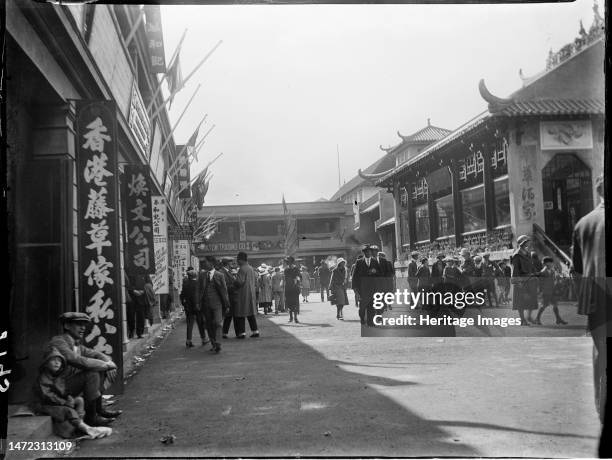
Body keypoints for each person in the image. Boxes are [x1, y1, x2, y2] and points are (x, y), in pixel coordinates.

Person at [571, 174, 607, 422]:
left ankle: (601, 407)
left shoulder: (583, 223)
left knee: (600, 351)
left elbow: (577, 271)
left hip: (596, 297)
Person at [45, 313, 121, 426]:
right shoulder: (59, 342)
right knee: (92, 374)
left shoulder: (75, 344)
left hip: (66, 384)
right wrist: (106, 365)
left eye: (84, 325)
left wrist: (108, 362)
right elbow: (77, 360)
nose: (83, 328)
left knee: (97, 369)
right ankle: (91, 418)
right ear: (66, 326)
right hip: (55, 388)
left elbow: (95, 354)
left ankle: (99, 410)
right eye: (79, 324)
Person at [31, 347, 110, 439]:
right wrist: (64, 402)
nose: (57, 363)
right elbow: (48, 396)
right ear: (46, 363)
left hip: (58, 401)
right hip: (44, 404)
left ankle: (82, 426)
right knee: (68, 411)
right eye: (53, 360)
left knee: (79, 400)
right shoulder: (43, 377)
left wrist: (68, 397)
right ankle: (87, 429)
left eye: (59, 361)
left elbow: (62, 390)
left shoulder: (58, 375)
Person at [199, 256, 230, 352]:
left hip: (217, 303)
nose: (204, 264)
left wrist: (227, 304)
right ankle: (213, 343)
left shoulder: (219, 275)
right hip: (206, 304)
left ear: (211, 263)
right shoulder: (202, 275)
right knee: (209, 325)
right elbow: (199, 290)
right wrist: (197, 302)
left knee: (218, 323)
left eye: (206, 262)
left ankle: (218, 342)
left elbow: (224, 290)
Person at [511, 235, 539, 325]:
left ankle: (529, 317)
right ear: (522, 243)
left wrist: (535, 274)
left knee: (531, 300)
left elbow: (531, 266)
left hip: (530, 280)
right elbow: (515, 270)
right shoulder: (517, 255)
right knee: (521, 301)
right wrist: (518, 282)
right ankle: (522, 320)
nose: (529, 243)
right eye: (527, 242)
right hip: (521, 281)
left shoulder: (528, 253)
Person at [351, 244, 381, 326]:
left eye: (370, 251)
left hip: (372, 288)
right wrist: (355, 289)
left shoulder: (375, 261)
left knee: (371, 306)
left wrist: (376, 272)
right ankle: (362, 319)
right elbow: (355, 276)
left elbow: (379, 274)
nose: (368, 253)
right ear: (364, 253)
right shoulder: (359, 262)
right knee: (362, 308)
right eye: (366, 252)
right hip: (362, 289)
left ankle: (370, 322)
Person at [233, 252, 260, 338]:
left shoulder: (242, 269)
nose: (237, 262)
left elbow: (239, 282)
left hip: (243, 294)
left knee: (240, 313)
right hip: (251, 293)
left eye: (238, 260)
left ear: (241, 260)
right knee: (250, 314)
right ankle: (255, 331)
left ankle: (241, 333)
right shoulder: (251, 268)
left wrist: (234, 282)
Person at [535, 257, 567, 325]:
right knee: (544, 305)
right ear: (547, 263)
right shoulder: (543, 272)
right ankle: (537, 319)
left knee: (555, 305)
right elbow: (540, 282)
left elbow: (554, 279)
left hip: (552, 290)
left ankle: (558, 319)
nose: (552, 264)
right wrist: (541, 291)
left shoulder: (552, 271)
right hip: (546, 291)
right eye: (551, 262)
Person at [180, 267, 207, 348]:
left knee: (189, 324)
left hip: (188, 307)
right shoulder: (197, 284)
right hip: (197, 306)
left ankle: (188, 340)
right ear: (195, 275)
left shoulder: (185, 284)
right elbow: (197, 296)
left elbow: (182, 295)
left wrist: (184, 304)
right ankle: (203, 339)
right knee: (200, 323)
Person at [220, 257, 240, 338]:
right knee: (232, 316)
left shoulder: (228, 271)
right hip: (229, 296)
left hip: (231, 296)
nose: (232, 263)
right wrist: (235, 285)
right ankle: (237, 333)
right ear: (227, 263)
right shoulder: (222, 272)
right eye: (231, 262)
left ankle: (225, 333)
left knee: (230, 316)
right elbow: (224, 286)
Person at [284, 256, 302, 323]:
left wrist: (297, 280)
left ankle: (295, 318)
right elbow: (285, 279)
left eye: (288, 261)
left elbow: (300, 277)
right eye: (287, 262)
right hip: (288, 288)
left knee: (295, 303)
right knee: (289, 303)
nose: (287, 263)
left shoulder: (296, 269)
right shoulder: (286, 270)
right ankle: (291, 317)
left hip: (294, 288)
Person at [129, 275, 147, 339]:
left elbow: (149, 283)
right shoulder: (129, 270)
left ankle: (140, 333)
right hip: (131, 297)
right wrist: (133, 290)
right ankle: (131, 332)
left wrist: (143, 290)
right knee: (131, 315)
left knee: (141, 316)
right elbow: (127, 282)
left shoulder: (143, 272)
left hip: (141, 297)